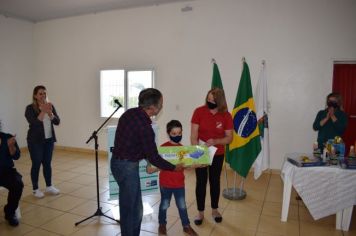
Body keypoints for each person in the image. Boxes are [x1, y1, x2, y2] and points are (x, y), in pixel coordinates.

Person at [110, 88, 184, 236]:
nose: (162, 105)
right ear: (152, 108)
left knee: (130, 206)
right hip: (127, 168)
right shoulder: (145, 128)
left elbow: (134, 144)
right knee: (132, 210)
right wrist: (174, 167)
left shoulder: (129, 113)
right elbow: (154, 157)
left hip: (116, 164)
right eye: (161, 103)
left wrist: (148, 159)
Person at [146, 120, 198, 236]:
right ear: (168, 133)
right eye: (174, 134)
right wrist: (153, 168)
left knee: (182, 205)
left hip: (179, 183)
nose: (177, 136)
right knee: (164, 205)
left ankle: (186, 226)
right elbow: (156, 166)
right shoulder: (163, 148)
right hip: (165, 183)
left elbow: (187, 165)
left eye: (179, 133)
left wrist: (198, 164)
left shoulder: (183, 149)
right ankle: (162, 225)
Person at [190, 88, 233, 225]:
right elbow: (193, 135)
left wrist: (216, 141)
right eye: (208, 99)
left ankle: (215, 210)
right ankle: (200, 212)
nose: (210, 102)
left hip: (218, 153)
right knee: (201, 182)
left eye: (213, 101)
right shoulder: (199, 111)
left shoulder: (226, 115)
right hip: (200, 152)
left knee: (215, 181)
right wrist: (197, 152)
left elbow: (229, 138)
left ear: (220, 101)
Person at [25, 85, 61, 198]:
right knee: (36, 164)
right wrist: (43, 111)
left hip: (49, 140)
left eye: (44, 93)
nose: (43, 95)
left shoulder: (50, 106)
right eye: (40, 93)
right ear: (35, 96)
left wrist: (50, 113)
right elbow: (35, 124)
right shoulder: (30, 108)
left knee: (47, 163)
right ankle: (36, 189)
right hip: (35, 141)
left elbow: (57, 121)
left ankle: (49, 186)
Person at [0, 132, 23, 226]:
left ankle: (10, 212)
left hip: (7, 171)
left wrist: (11, 146)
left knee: (18, 184)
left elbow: (16, 156)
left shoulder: (7, 137)